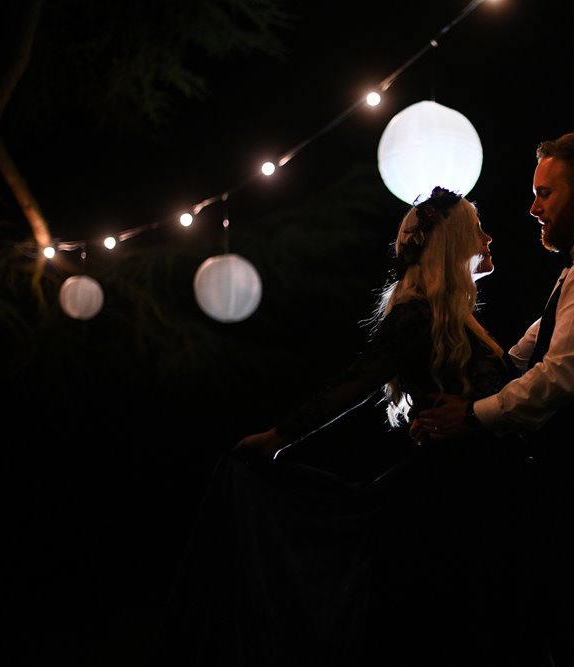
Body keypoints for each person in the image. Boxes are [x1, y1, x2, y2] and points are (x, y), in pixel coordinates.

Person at [165, 186, 538, 667]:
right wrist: (281, 436)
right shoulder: (416, 313)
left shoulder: (453, 318)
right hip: (449, 495)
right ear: (453, 243)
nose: (489, 236)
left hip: (473, 489)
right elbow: (357, 381)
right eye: (477, 228)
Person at [414, 131, 574, 667]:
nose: (533, 207)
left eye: (545, 193)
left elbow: (560, 378)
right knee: (571, 619)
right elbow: (518, 358)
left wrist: (471, 417)